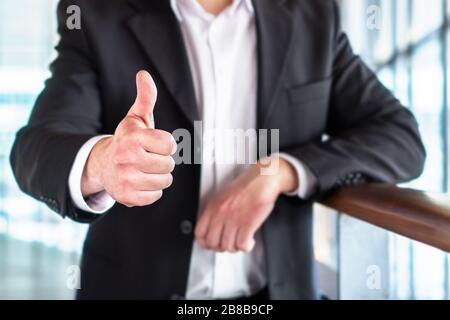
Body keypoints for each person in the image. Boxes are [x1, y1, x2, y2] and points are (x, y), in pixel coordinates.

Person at [10, 0, 426, 300]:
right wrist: (102, 163)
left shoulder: (311, 16)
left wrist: (282, 170)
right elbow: (35, 146)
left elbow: (401, 138)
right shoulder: (99, 13)